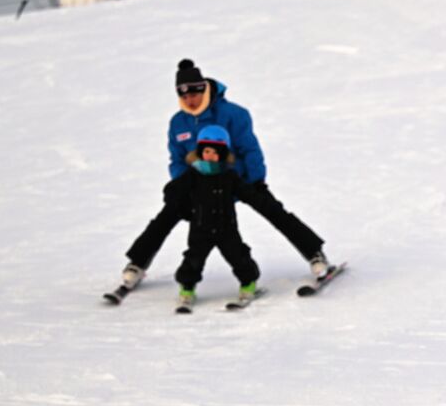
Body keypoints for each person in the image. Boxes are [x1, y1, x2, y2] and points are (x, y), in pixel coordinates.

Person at [118, 59, 334, 291]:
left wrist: (257, 181)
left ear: (204, 89)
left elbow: (249, 149)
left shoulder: (233, 114)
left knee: (274, 211)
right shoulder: (178, 123)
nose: (190, 101)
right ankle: (138, 263)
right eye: (184, 96)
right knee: (165, 217)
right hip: (200, 185)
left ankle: (315, 254)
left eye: (195, 95)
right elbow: (177, 159)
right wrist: (182, 188)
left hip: (236, 180)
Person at [168, 126, 265, 309]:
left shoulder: (230, 175)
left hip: (226, 228)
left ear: (223, 154)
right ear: (200, 152)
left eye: (215, 152)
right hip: (200, 228)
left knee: (238, 256)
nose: (210, 155)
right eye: (206, 151)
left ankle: (248, 282)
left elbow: (247, 192)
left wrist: (258, 197)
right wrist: (181, 207)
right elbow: (173, 190)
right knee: (193, 260)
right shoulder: (193, 174)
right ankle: (187, 288)